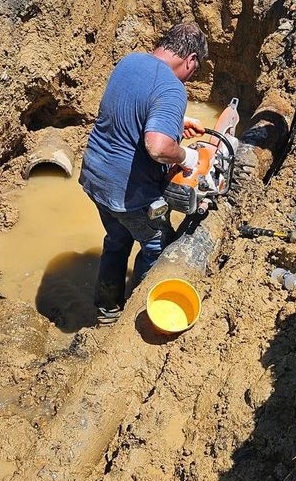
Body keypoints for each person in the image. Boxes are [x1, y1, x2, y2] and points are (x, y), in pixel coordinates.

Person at [80, 21, 209, 325]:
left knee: (116, 238)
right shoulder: (172, 88)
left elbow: (128, 113)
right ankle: (134, 319)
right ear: (190, 60)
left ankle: (107, 308)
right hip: (128, 192)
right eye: (196, 69)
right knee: (156, 245)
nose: (191, 77)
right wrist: (188, 155)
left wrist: (175, 122)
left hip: (95, 177)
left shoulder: (130, 61)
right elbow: (157, 146)